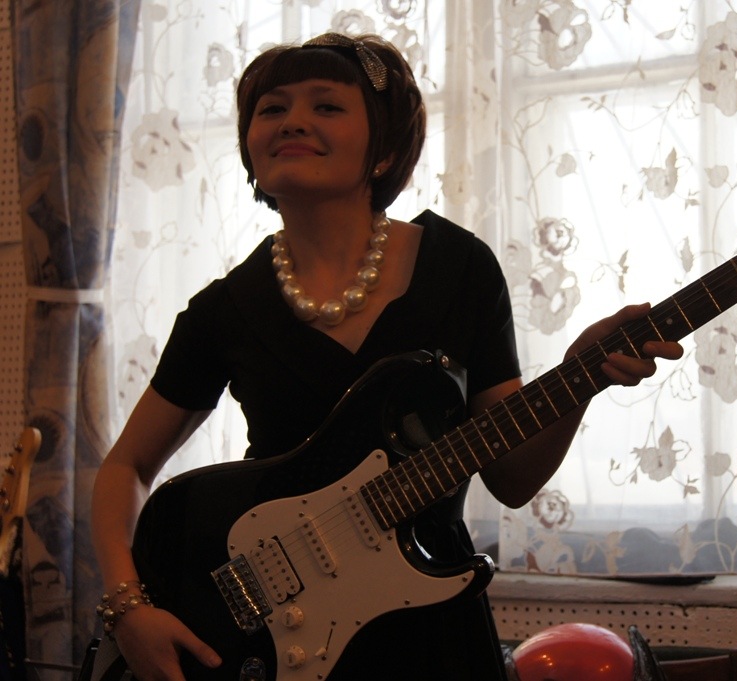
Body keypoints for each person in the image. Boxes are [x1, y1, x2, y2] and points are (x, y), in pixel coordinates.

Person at [90, 32, 683, 681]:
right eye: (272, 108)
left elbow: (512, 480)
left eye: (326, 105)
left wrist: (580, 378)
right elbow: (126, 465)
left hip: (431, 633)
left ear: (387, 150)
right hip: (278, 639)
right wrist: (128, 609)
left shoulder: (459, 268)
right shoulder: (224, 308)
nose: (293, 121)